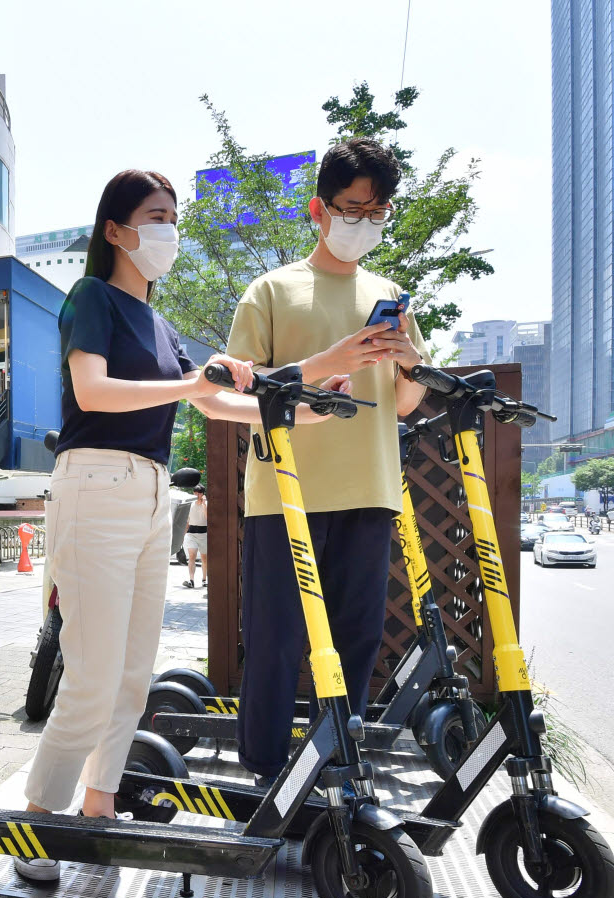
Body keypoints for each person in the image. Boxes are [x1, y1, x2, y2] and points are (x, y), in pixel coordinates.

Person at [17, 168, 345, 882]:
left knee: (132, 672)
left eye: (173, 216)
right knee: (94, 670)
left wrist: (306, 408)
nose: (169, 229)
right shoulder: (92, 297)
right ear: (116, 230)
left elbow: (215, 403)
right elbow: (92, 391)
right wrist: (197, 384)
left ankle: (97, 808)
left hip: (148, 492)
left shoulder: (161, 326)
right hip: (95, 480)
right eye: (156, 216)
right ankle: (41, 818)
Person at [226, 137, 432, 787]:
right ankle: (263, 772)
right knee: (275, 641)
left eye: (376, 215)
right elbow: (236, 387)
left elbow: (405, 402)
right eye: (352, 210)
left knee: (354, 642)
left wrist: (403, 359)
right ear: (318, 208)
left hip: (369, 490)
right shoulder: (271, 290)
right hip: (284, 495)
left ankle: (335, 764)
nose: (363, 225)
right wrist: (330, 362)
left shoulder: (388, 293)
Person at [183, 484, 208, 588]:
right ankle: (191, 580)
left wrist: (204, 506)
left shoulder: (206, 504)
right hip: (191, 533)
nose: (198, 495)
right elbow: (187, 521)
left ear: (203, 494)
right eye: (196, 493)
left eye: (200, 493)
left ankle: (204, 579)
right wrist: (183, 534)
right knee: (192, 556)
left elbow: (208, 518)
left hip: (204, 533)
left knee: (204, 558)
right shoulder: (191, 504)